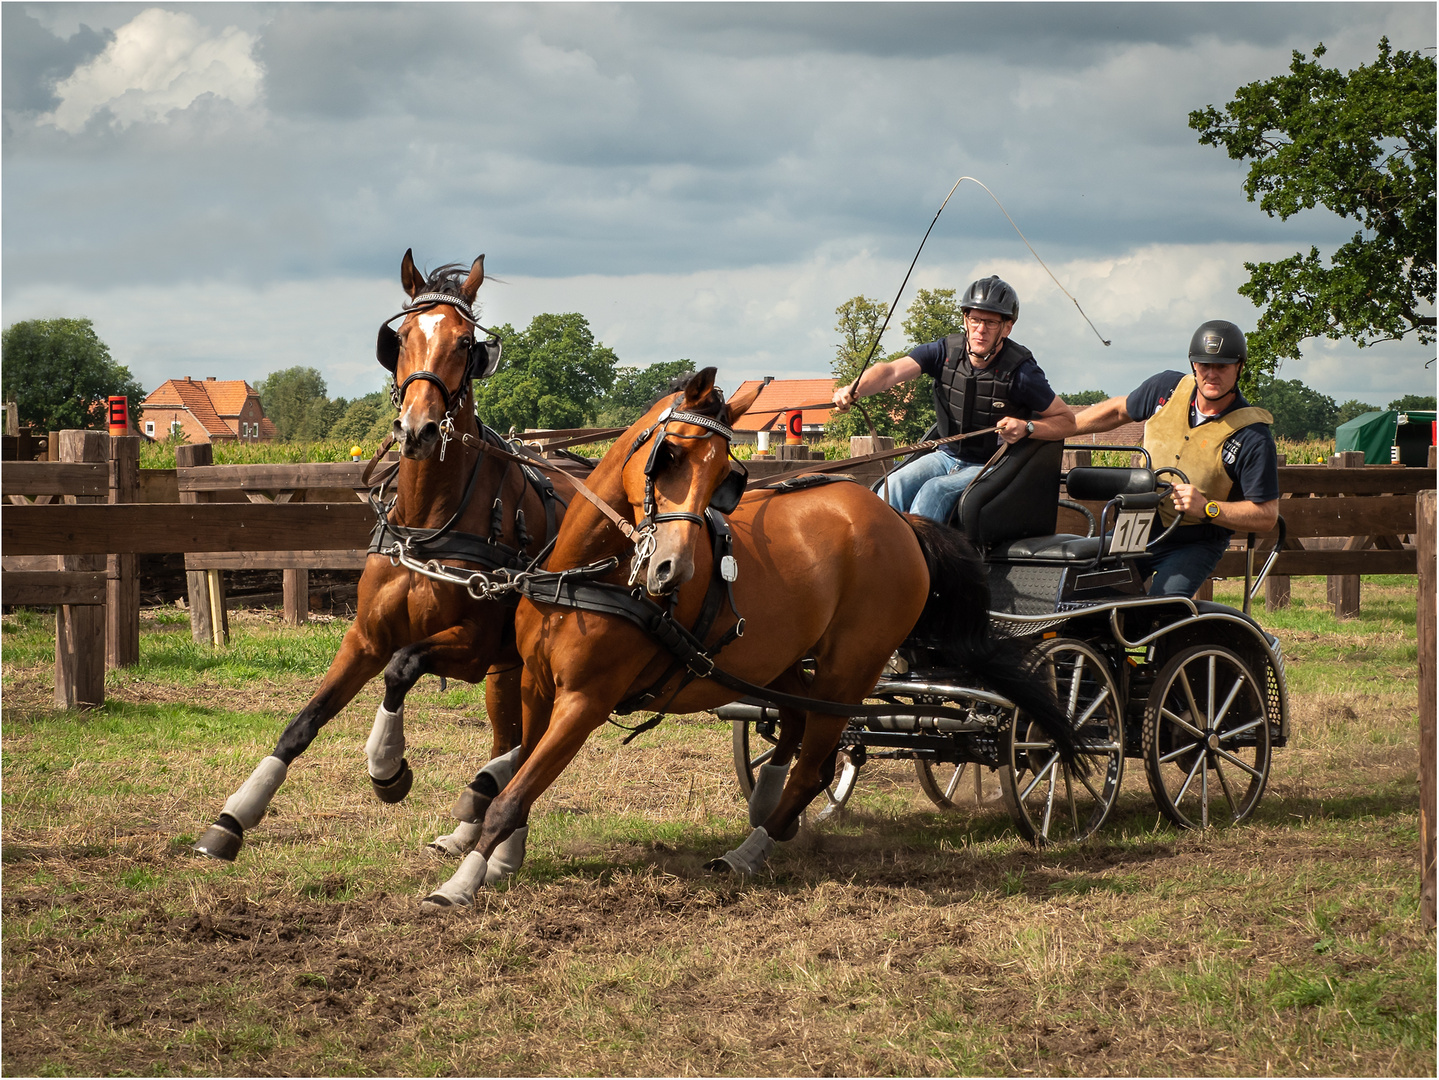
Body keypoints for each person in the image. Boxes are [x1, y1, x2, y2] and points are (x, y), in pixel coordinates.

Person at [831, 275, 1076, 523]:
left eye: (991, 323)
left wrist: (1028, 427)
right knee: (893, 484)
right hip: (944, 455)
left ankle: (923, 560)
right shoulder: (945, 352)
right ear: (965, 319)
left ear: (1007, 327)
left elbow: (1067, 421)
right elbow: (890, 372)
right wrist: (854, 388)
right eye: (975, 319)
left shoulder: (1022, 372)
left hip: (992, 465)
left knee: (934, 491)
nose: (980, 330)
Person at [1071, 319, 1280, 597]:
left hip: (1195, 542)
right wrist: (1061, 428)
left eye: (1222, 366)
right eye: (1204, 365)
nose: (1211, 374)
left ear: (1239, 367)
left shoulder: (1252, 436)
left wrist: (1208, 508)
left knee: (1161, 609)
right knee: (1082, 589)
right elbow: (1119, 410)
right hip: (1137, 526)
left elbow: (1266, 516)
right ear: (1193, 364)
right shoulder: (1166, 388)